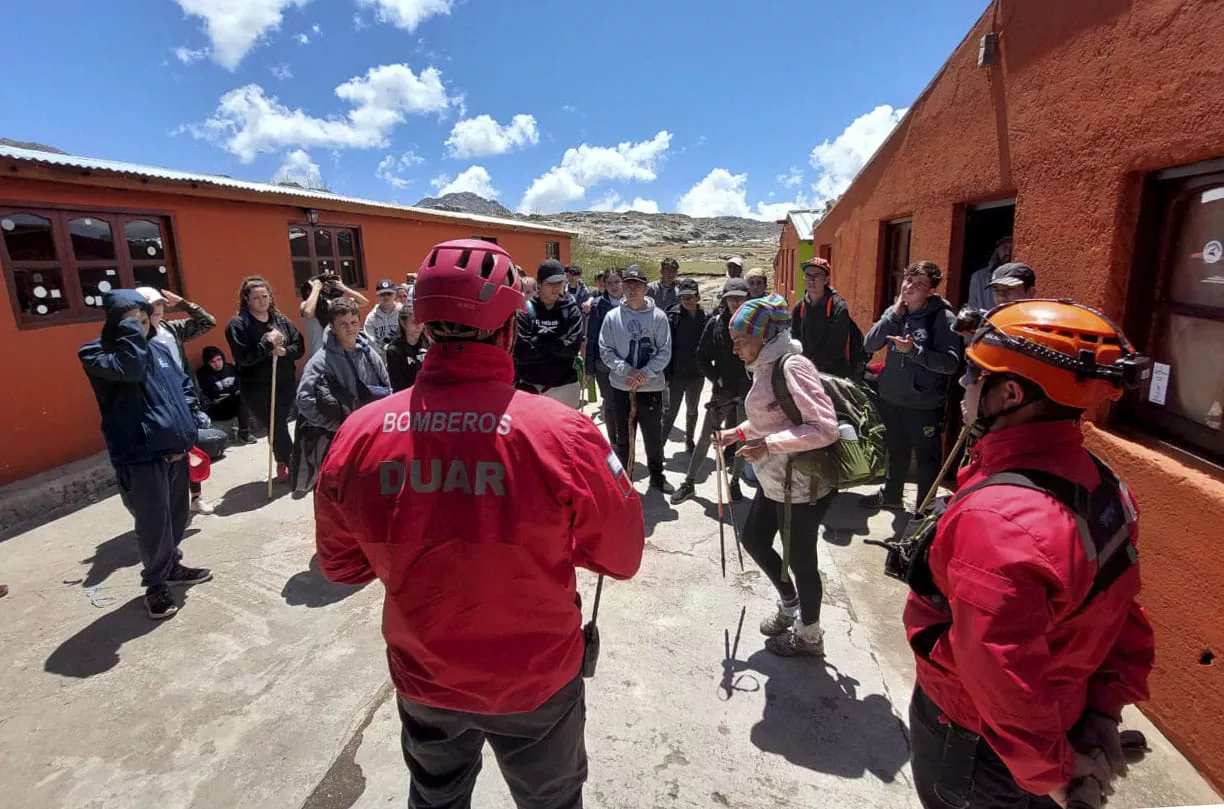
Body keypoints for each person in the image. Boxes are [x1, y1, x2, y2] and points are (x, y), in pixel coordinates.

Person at [314, 239, 645, 809]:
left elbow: (342, 567)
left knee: (435, 799)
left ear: (424, 324)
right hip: (537, 680)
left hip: (426, 676)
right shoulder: (564, 433)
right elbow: (622, 556)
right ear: (510, 330)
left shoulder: (360, 433)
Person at [906, 299, 1154, 808]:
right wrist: (1102, 710)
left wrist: (1051, 773)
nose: (964, 386)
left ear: (1010, 394)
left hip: (978, 747)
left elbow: (996, 667)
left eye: (975, 375)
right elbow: (1120, 611)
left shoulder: (998, 519)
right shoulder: (1103, 485)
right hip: (1054, 725)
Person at [712, 295, 840, 656]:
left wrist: (767, 446)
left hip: (802, 485)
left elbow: (825, 428)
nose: (735, 350)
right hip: (776, 479)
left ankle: (810, 635)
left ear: (764, 337)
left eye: (740, 341)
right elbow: (773, 418)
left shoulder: (792, 367)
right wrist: (736, 433)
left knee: (801, 561)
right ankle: (789, 604)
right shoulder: (765, 366)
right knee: (754, 539)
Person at [79, 290, 211, 620]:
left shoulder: (159, 349)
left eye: (143, 317)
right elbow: (129, 369)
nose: (141, 324)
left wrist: (189, 418)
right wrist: (130, 332)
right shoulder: (96, 353)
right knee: (154, 524)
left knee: (177, 517)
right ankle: (155, 584)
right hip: (140, 455)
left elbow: (182, 384)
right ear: (114, 323)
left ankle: (172, 566)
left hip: (175, 450)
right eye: (130, 320)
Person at [861, 261, 960, 512]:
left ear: (931, 290)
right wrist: (893, 315)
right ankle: (891, 496)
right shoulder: (896, 313)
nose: (909, 287)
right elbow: (869, 345)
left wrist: (913, 351)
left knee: (927, 458)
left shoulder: (943, 318)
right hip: (892, 398)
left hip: (924, 404)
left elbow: (950, 363)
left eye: (919, 284)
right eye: (908, 280)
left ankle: (923, 509)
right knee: (896, 451)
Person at [137, 287, 227, 514]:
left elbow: (208, 322)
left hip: (183, 393)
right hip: (157, 398)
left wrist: (183, 304)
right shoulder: (137, 338)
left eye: (160, 303)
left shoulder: (172, 329)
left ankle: (196, 496)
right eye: (152, 304)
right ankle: (167, 503)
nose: (157, 309)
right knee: (167, 452)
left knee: (192, 446)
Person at [292, 298, 391, 493]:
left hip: (369, 434)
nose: (350, 329)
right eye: (343, 324)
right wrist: (333, 425)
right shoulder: (320, 361)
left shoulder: (370, 354)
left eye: (353, 322)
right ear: (332, 326)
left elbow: (387, 386)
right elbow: (304, 400)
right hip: (337, 439)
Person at [670, 279, 751, 505]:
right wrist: (716, 377)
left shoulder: (754, 325)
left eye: (740, 298)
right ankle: (689, 482)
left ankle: (735, 481)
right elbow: (702, 356)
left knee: (743, 437)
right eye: (731, 298)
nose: (735, 302)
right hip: (722, 391)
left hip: (747, 391)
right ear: (725, 299)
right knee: (706, 436)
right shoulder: (715, 323)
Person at [600, 265, 674, 493]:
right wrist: (627, 371)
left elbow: (664, 352)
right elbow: (606, 350)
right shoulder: (612, 317)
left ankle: (657, 476)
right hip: (621, 386)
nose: (632, 289)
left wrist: (644, 373)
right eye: (628, 284)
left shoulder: (658, 317)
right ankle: (624, 479)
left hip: (650, 388)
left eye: (637, 285)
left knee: (653, 435)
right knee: (623, 436)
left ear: (645, 288)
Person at [225, 276, 305, 484]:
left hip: (284, 382)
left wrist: (284, 351)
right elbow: (244, 357)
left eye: (265, 296)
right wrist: (267, 344)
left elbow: (299, 346)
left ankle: (282, 459)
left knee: (279, 423)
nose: (262, 301)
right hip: (257, 387)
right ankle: (292, 463)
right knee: (276, 423)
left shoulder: (281, 320)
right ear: (246, 299)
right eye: (256, 298)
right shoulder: (238, 324)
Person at [514, 259, 584, 407]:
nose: (556, 287)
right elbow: (522, 353)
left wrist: (538, 341)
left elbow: (572, 349)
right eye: (551, 283)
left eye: (560, 282)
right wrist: (558, 344)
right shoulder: (525, 310)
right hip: (531, 387)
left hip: (565, 387)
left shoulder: (571, 310)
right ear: (539, 283)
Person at [791, 257, 864, 379]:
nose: (811, 280)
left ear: (826, 280)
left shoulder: (838, 307)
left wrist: (813, 366)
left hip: (833, 374)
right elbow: (795, 338)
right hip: (806, 371)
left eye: (817, 276)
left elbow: (836, 346)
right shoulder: (800, 307)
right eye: (808, 275)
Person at [662, 278, 707, 453]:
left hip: (697, 373)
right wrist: (666, 374)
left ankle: (689, 440)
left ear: (697, 297)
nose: (686, 301)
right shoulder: (673, 317)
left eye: (690, 297)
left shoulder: (705, 317)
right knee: (670, 412)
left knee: (692, 410)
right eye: (683, 297)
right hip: (677, 374)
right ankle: (659, 445)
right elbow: (666, 347)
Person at [587, 269, 624, 443]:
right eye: (609, 283)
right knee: (609, 404)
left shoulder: (631, 302)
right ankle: (614, 441)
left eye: (617, 282)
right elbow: (592, 337)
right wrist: (589, 368)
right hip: (603, 364)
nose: (613, 286)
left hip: (627, 362)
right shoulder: (597, 305)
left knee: (625, 404)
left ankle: (625, 440)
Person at [300, 273, 369, 357]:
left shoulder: (336, 305)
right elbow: (308, 312)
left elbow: (364, 302)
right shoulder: (306, 305)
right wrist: (316, 288)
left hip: (340, 354)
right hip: (320, 354)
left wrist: (344, 288)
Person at [197, 346, 250, 439]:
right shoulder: (203, 374)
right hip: (217, 409)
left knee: (242, 396)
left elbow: (240, 385)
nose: (217, 364)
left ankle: (244, 432)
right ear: (207, 363)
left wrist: (230, 393)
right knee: (239, 396)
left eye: (219, 359)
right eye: (213, 362)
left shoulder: (230, 368)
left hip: (234, 404)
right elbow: (214, 394)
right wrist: (233, 391)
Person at [386, 302, 430, 392]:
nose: (418, 326)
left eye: (421, 321)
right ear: (403, 323)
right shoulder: (394, 351)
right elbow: (398, 385)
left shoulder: (428, 344)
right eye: (414, 322)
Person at [966, 236, 1013, 313]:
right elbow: (972, 308)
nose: (1008, 252)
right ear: (997, 250)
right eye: (1005, 247)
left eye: (1012, 248)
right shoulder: (978, 277)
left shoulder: (1020, 280)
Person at [365, 279, 403, 355]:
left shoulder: (403, 313)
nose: (386, 297)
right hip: (381, 357)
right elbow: (370, 340)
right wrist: (384, 352)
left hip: (401, 355)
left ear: (395, 294)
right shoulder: (371, 317)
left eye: (389, 294)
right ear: (377, 296)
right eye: (382, 294)